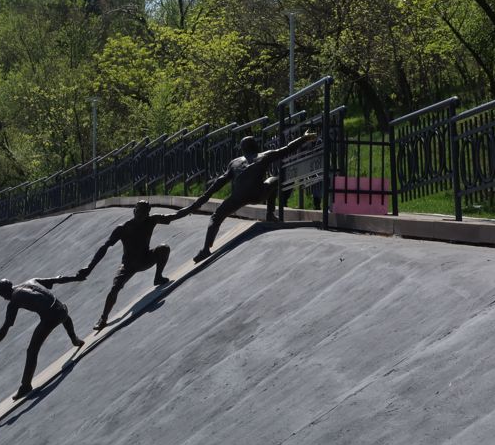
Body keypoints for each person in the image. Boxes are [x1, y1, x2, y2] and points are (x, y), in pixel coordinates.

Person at [179, 130, 317, 262]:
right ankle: (270, 213)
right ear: (255, 146)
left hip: (238, 198)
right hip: (258, 194)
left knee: (216, 217)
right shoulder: (264, 155)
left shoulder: (234, 163)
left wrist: (205, 196)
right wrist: (304, 138)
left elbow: (219, 181)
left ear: (243, 149)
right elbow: (286, 149)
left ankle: (205, 249)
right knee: (274, 179)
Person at [76, 200, 180, 331]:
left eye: (143, 213)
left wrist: (197, 204)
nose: (140, 216)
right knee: (115, 289)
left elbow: (175, 215)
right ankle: (103, 318)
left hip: (145, 259)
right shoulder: (123, 228)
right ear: (134, 211)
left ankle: (158, 277)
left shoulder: (152, 220)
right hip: (128, 265)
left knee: (164, 248)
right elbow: (105, 247)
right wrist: (89, 267)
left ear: (147, 214)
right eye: (138, 212)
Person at [0, 276, 86, 401]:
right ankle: (75, 339)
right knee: (62, 314)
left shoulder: (14, 300)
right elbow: (56, 279)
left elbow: (6, 327)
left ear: (6, 291)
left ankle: (25, 385)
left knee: (32, 351)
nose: (4, 298)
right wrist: (76, 277)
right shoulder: (31, 281)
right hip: (63, 310)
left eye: (2, 295)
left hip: (51, 318)